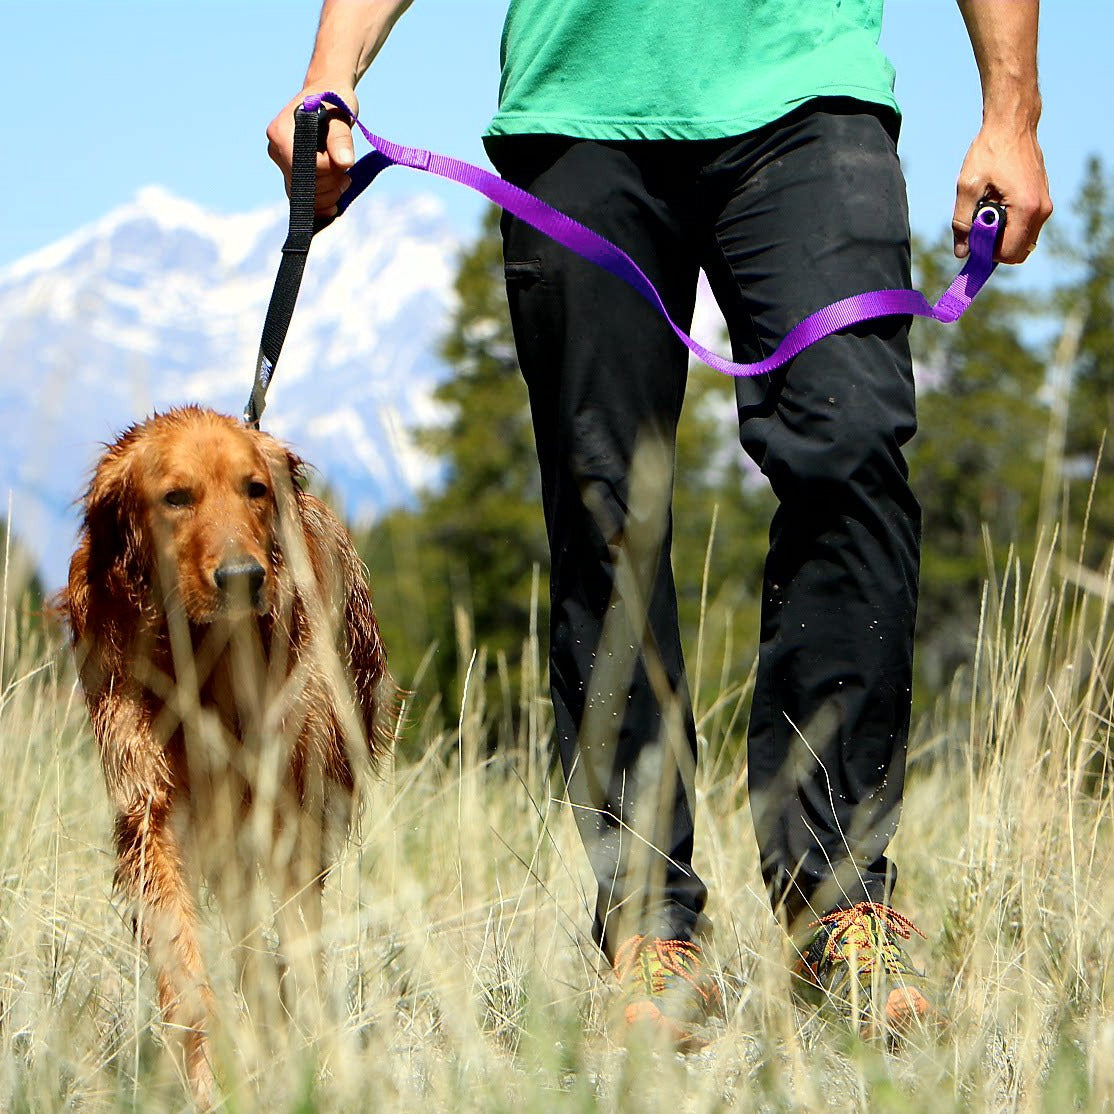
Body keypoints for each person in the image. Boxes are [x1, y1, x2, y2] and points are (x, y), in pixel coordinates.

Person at [268, 0, 1052, 1045]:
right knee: (604, 505)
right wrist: (333, 69)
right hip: (580, 103)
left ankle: (839, 902)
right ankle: (649, 921)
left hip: (806, 87)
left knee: (854, 438)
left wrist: (1010, 108)